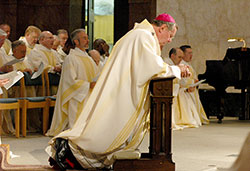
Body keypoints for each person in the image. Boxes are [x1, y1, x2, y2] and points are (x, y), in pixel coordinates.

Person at [47, 13, 190, 170]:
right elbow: (152, 67)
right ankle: (69, 151)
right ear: (162, 28)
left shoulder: (141, 34)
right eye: (170, 36)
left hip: (123, 88)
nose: (169, 40)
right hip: (123, 92)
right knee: (108, 128)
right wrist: (176, 69)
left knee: (108, 127)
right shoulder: (143, 36)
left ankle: (78, 154)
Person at [46, 29, 99, 137]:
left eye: (87, 38)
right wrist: (88, 85)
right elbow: (70, 82)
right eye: (84, 38)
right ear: (76, 41)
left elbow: (97, 75)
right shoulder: (71, 58)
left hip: (89, 94)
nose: (87, 40)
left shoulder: (88, 58)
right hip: (77, 96)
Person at [172, 45, 209, 129]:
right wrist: (192, 82)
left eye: (191, 53)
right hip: (183, 90)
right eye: (189, 53)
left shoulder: (187, 64)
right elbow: (181, 80)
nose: (191, 55)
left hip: (190, 89)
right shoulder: (180, 65)